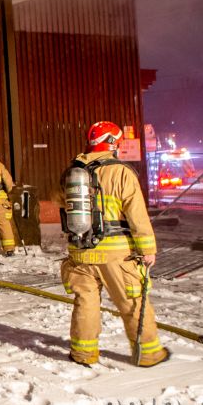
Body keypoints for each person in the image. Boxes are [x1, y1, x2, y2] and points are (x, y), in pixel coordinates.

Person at [58, 121, 169, 367]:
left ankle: (83, 354)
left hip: (80, 251)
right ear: (111, 144)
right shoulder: (121, 172)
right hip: (116, 255)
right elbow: (137, 215)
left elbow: (61, 202)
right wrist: (147, 249)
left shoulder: (72, 172)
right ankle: (149, 354)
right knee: (133, 303)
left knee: (85, 303)